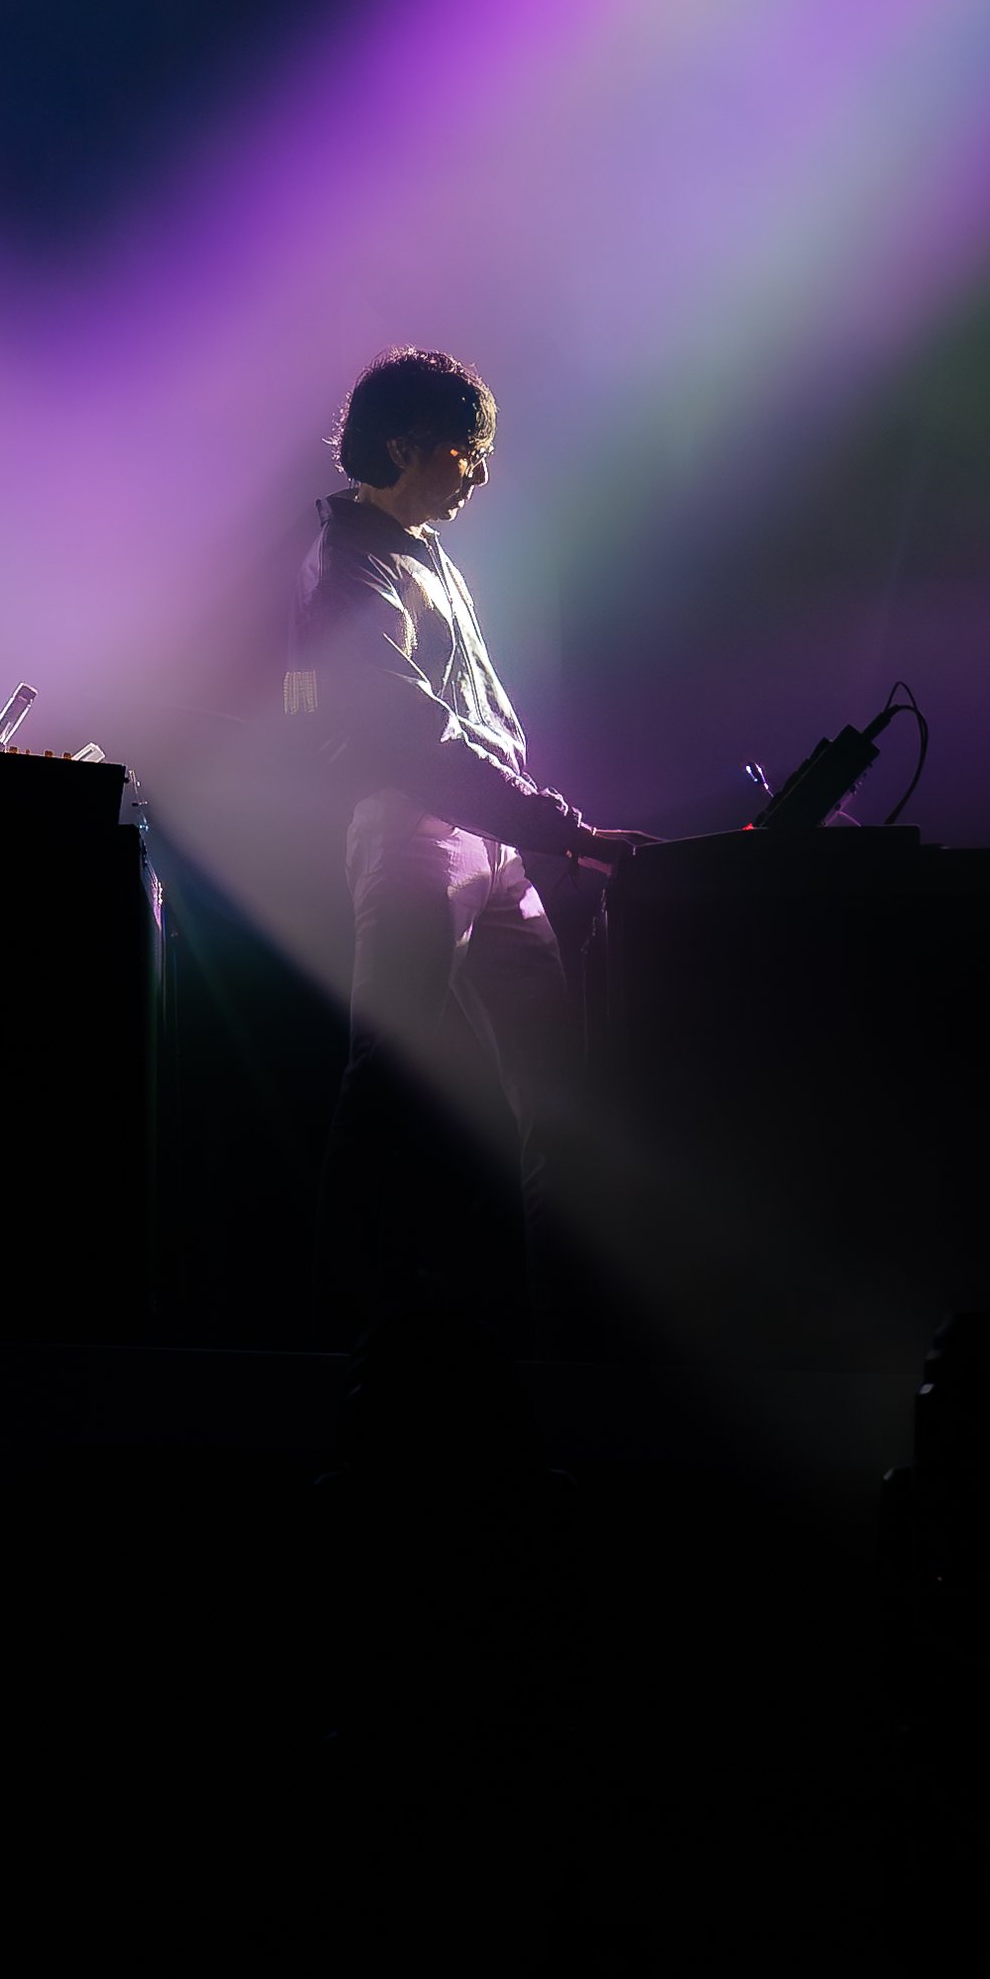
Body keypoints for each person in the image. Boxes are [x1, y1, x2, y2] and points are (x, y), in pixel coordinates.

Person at [286, 346, 645, 1343]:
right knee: (389, 1074)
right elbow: (416, 735)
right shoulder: (352, 567)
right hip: (415, 829)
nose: (478, 473)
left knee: (550, 1088)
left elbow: (467, 725)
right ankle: (339, 1333)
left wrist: (540, 828)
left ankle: (552, 1329)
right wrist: (560, 826)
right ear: (407, 444)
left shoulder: (410, 550)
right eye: (466, 451)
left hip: (483, 837)